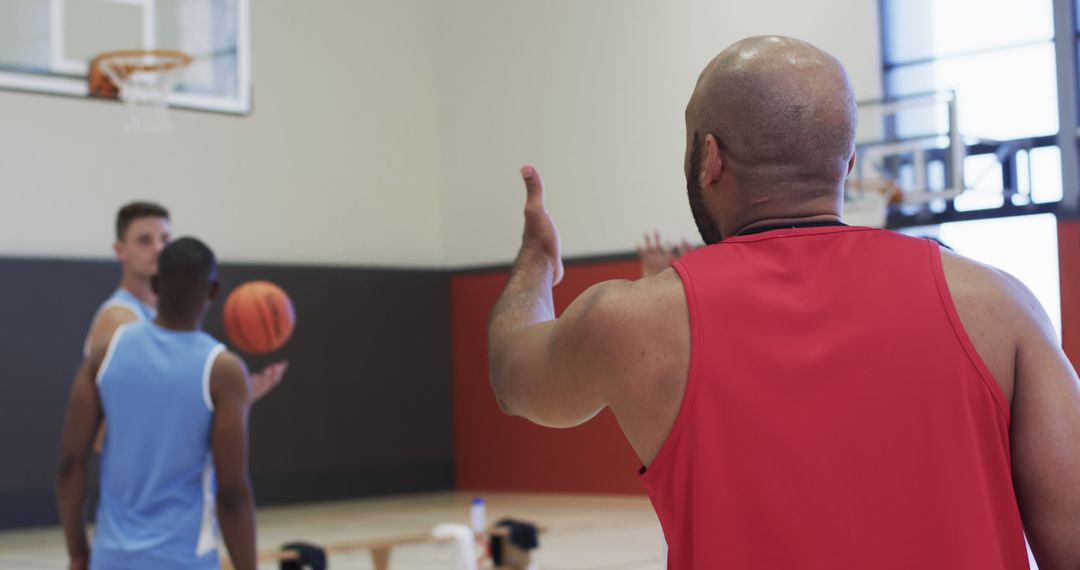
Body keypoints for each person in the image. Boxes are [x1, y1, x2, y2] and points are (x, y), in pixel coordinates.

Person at [487, 36, 1080, 568]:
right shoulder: (1001, 306)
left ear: (709, 159)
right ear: (847, 164)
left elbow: (512, 373)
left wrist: (536, 266)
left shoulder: (630, 322)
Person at [58, 237, 257, 570]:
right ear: (213, 291)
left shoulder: (106, 352)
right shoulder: (221, 370)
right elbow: (232, 492)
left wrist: (78, 550)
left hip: (112, 557)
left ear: (155, 284)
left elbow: (70, 464)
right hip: (183, 559)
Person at [84, 202, 286, 402]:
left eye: (165, 239)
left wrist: (234, 400)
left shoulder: (167, 316)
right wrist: (228, 399)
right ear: (120, 250)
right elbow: (141, 407)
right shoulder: (121, 318)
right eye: (145, 241)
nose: (158, 249)